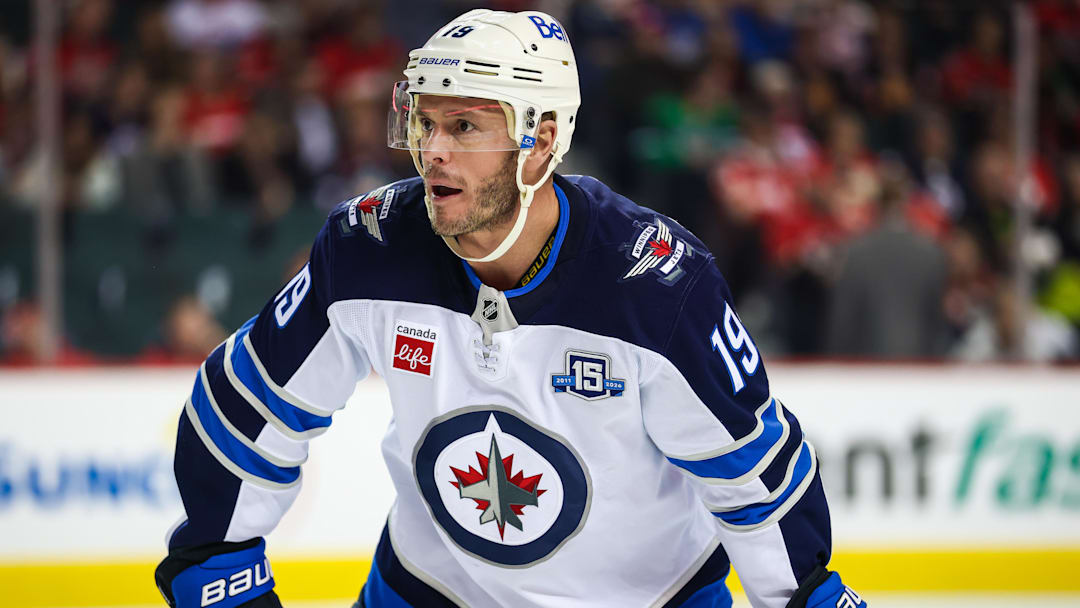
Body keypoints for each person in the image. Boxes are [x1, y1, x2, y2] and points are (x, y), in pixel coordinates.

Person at [154, 10, 866, 608]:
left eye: (465, 127)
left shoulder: (656, 286)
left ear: (542, 142)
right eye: (425, 123)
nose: (433, 151)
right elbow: (247, 407)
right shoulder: (367, 248)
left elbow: (754, 478)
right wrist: (216, 569)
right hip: (432, 588)